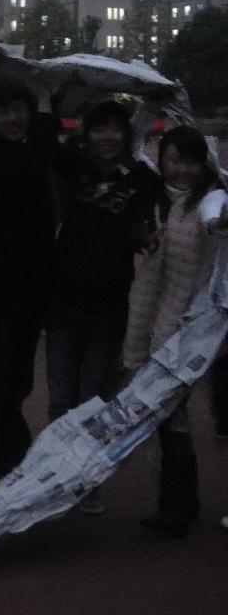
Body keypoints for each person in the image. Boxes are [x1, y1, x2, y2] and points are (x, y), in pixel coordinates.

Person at [44, 99, 158, 515]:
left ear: (127, 135)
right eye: (99, 128)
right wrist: (48, 96)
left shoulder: (143, 178)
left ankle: (87, 481)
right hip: (63, 302)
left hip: (110, 306)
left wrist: (145, 237)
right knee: (60, 399)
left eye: (115, 129)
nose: (107, 137)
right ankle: (54, 475)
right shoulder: (73, 167)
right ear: (87, 134)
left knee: (94, 401)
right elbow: (44, 140)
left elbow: (151, 222)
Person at [122, 125, 226, 537]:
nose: (180, 169)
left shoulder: (211, 197)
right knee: (168, 418)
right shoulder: (160, 200)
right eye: (172, 161)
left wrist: (219, 224)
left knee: (177, 417)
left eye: (189, 161)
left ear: (203, 163)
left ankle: (176, 506)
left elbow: (213, 219)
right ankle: (181, 503)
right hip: (159, 321)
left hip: (195, 328)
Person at [0, 80, 62, 495]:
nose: (13, 118)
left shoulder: (30, 152)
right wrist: (45, 107)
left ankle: (11, 453)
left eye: (20, 109)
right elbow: (33, 161)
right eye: (3, 111)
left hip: (30, 289)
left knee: (18, 379)